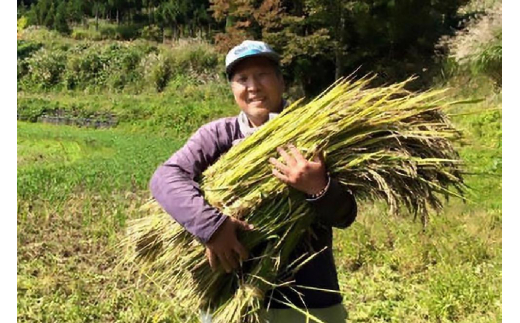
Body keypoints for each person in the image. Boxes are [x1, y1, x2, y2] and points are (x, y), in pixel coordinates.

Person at [150, 40, 357, 322]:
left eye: (262, 75)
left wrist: (318, 188)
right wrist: (212, 227)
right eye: (241, 79)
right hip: (230, 297)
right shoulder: (218, 136)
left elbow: (345, 215)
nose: (253, 87)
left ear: (281, 81)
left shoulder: (317, 135)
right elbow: (165, 178)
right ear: (232, 89)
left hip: (309, 300)